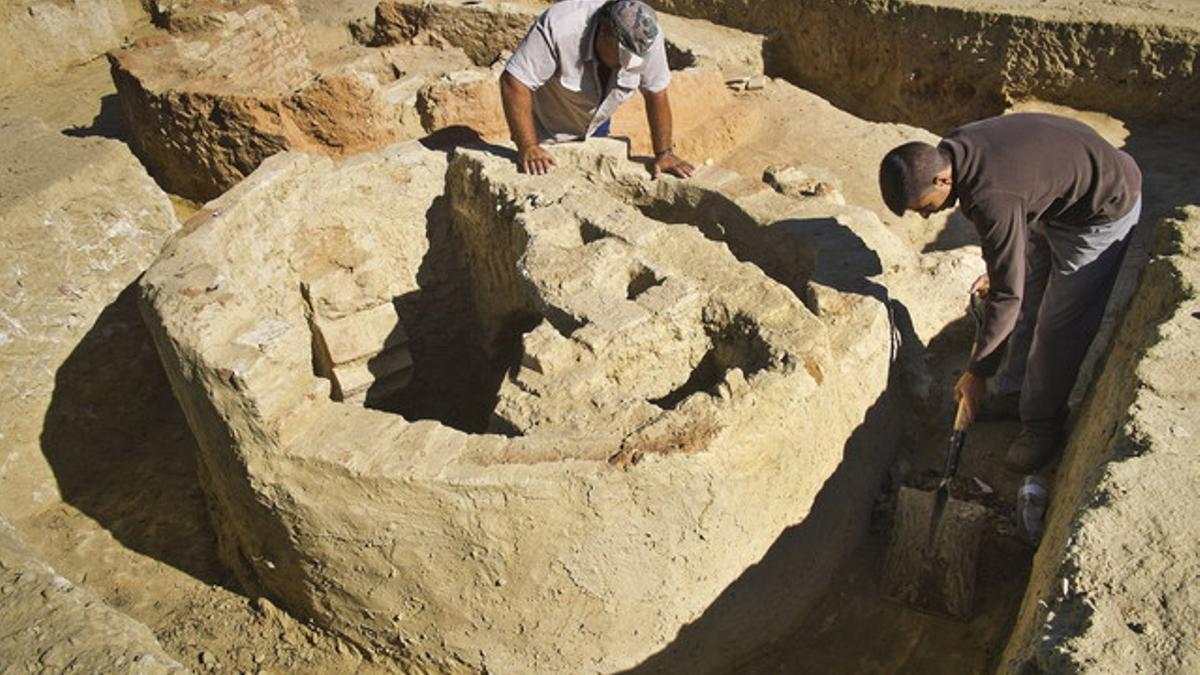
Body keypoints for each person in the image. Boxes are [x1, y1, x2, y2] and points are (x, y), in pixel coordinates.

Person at [878, 113, 1143, 473]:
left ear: (943, 178)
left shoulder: (991, 194)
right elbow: (1007, 244)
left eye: (925, 207)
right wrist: (1001, 268)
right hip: (1054, 201)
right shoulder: (957, 149)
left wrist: (977, 371)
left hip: (1102, 209)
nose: (926, 218)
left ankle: (1041, 425)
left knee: (1057, 329)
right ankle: (1013, 392)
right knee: (1027, 301)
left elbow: (1007, 294)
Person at [500, 0, 695, 179]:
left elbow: (656, 93)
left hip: (595, 122)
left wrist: (664, 153)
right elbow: (514, 82)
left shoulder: (647, 38)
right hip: (546, 128)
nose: (624, 67)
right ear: (604, 34)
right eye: (623, 58)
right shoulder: (561, 26)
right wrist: (528, 146)